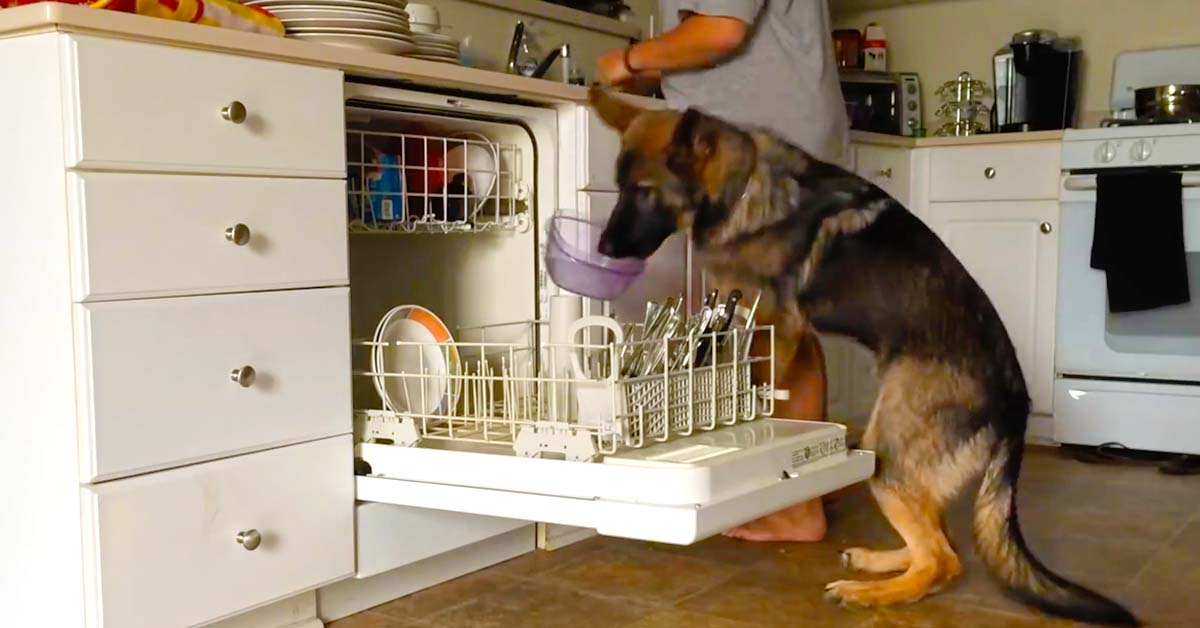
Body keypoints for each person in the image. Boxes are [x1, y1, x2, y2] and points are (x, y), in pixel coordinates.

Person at [596, 0, 849, 542]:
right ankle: (809, 483)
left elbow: (720, 32)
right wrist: (661, 69)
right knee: (783, 320)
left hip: (758, 148)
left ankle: (797, 510)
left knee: (766, 325)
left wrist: (630, 59)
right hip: (769, 139)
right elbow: (713, 36)